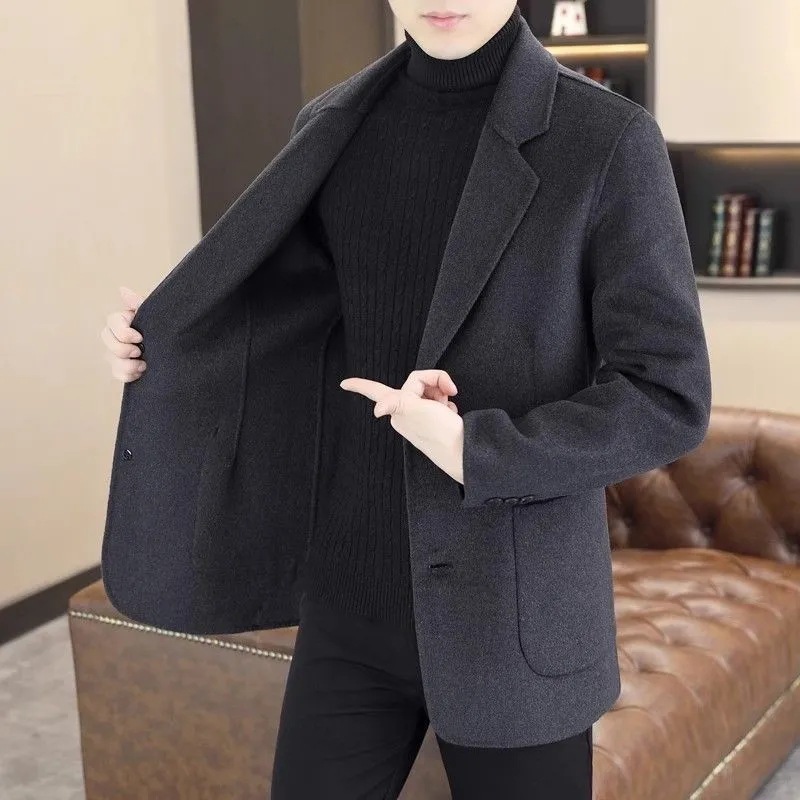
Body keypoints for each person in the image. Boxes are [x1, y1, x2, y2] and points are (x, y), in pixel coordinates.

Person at [100, 2, 711, 798]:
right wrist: (164, 343)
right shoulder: (331, 125)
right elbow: (290, 335)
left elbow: (667, 392)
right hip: (346, 602)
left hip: (512, 620)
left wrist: (475, 449)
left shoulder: (606, 137)